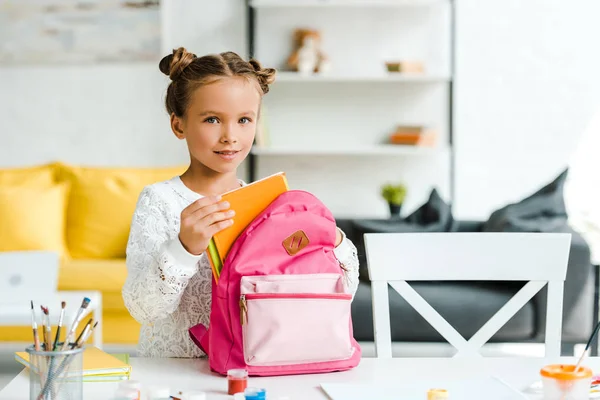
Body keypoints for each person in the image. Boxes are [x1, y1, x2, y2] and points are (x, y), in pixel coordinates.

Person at [122, 48, 360, 358]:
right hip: (175, 371)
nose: (230, 136)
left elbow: (342, 291)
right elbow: (143, 309)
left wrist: (331, 237)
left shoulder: (269, 206)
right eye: (212, 120)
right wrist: (184, 248)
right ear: (179, 125)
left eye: (244, 120)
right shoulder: (161, 201)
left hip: (249, 368)